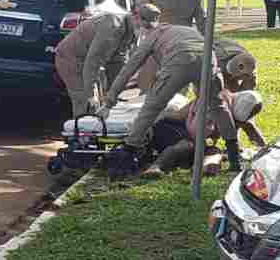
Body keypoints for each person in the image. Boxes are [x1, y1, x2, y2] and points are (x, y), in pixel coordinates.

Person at [101, 19, 240, 175]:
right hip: (208, 58)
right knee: (219, 107)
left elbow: (128, 70)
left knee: (152, 107)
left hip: (180, 59)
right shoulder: (185, 30)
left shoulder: (152, 37)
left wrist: (109, 101)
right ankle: (235, 159)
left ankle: (127, 154)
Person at [54, 3, 154, 118]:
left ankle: (95, 129)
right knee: (85, 102)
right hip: (71, 58)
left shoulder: (131, 31)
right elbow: (93, 62)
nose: (147, 31)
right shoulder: (113, 27)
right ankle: (81, 133)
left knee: (101, 102)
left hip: (89, 61)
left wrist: (113, 93)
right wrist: (91, 94)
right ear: (136, 18)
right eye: (146, 26)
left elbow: (119, 62)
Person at [142, 90, 267, 179]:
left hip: (196, 141)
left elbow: (252, 132)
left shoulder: (240, 111)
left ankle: (207, 168)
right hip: (173, 128)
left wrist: (266, 152)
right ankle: (155, 167)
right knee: (188, 144)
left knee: (215, 152)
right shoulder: (213, 104)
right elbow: (184, 122)